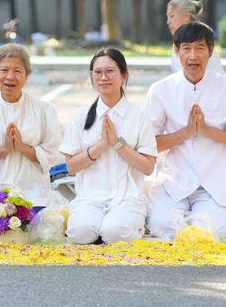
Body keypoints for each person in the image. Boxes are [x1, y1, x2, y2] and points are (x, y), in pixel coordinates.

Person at [145, 21, 226, 239]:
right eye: (186, 49)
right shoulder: (160, 90)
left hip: (213, 185)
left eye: (200, 48)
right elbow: (150, 144)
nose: (193, 56)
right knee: (161, 226)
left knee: (207, 233)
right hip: (175, 182)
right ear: (176, 51)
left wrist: (204, 129)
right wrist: (186, 131)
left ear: (211, 51)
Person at [61, 48, 157, 243]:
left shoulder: (138, 116)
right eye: (97, 72)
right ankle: (100, 228)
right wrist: (102, 144)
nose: (103, 77)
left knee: (114, 232)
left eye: (110, 71)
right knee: (80, 233)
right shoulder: (81, 116)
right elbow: (71, 167)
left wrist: (117, 144)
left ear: (124, 75)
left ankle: (130, 225)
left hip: (126, 198)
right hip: (90, 199)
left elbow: (148, 167)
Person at [0, 44, 61, 206]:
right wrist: (5, 149)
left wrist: (22, 147)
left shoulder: (44, 110)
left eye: (18, 71)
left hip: (33, 194)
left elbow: (51, 156)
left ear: (26, 76)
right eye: (4, 70)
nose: (10, 76)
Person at [166, 0, 223, 74]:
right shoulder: (177, 44)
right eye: (168, 17)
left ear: (186, 16)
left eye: (172, 16)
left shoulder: (201, 40)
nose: (168, 22)